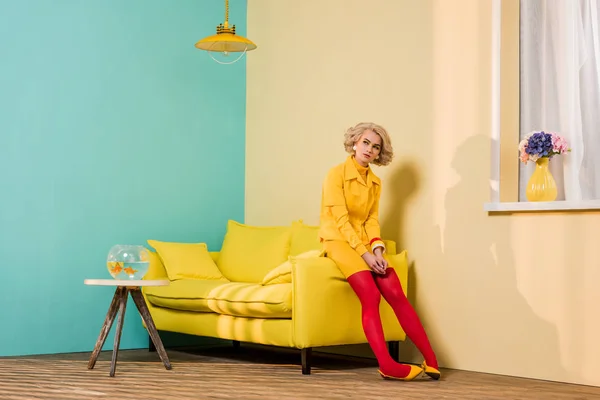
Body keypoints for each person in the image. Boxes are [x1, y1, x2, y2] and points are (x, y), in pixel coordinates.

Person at [318, 122, 440, 381]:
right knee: (371, 295)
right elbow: (341, 222)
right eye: (366, 142)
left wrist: (379, 250)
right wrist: (365, 255)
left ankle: (431, 359)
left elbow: (371, 220)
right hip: (337, 240)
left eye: (375, 147)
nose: (370, 149)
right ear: (354, 142)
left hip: (365, 243)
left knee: (395, 291)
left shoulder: (375, 182)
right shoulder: (335, 174)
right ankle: (387, 364)